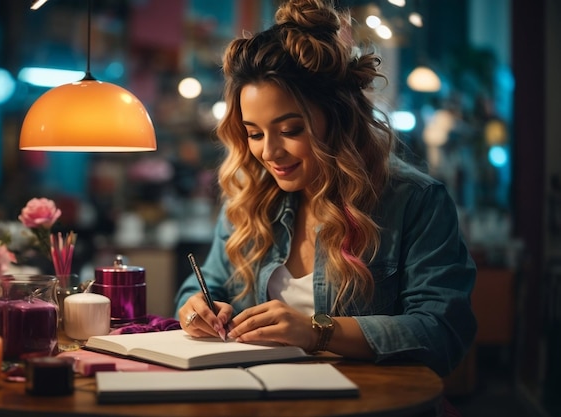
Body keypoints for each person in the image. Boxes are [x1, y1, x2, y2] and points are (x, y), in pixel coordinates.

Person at [174, 0, 476, 378]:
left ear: (338, 117)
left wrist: (318, 332)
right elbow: (206, 285)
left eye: (290, 130)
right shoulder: (249, 196)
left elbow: (443, 333)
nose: (269, 152)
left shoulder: (414, 201)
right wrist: (195, 307)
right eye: (254, 133)